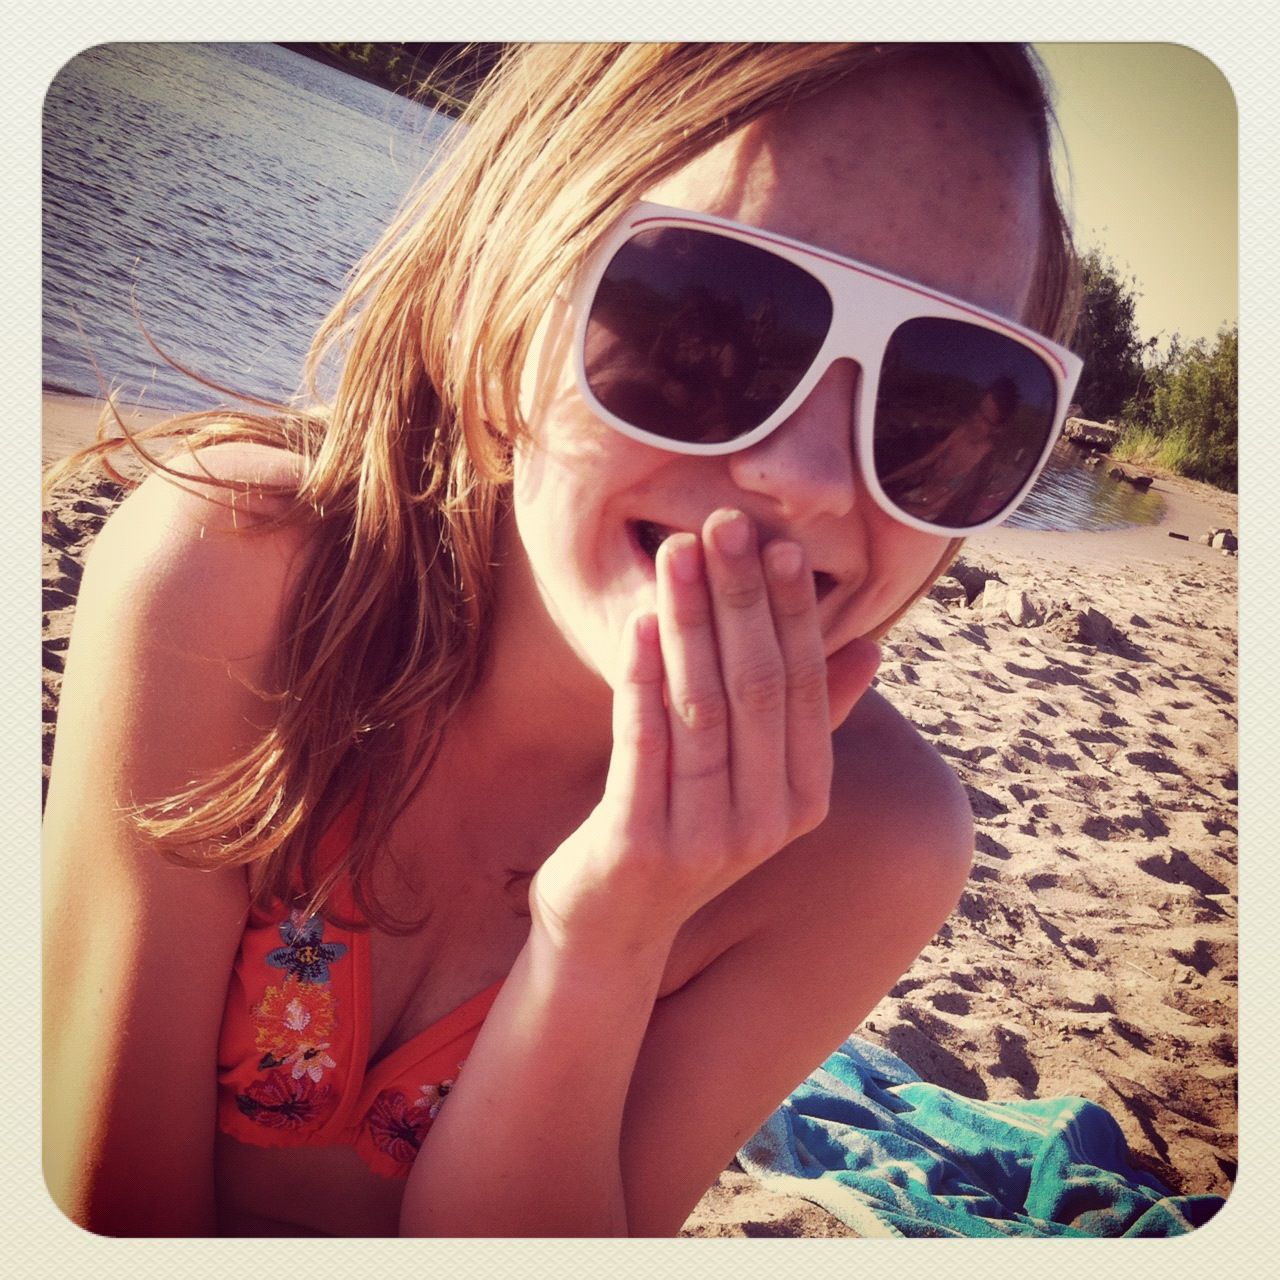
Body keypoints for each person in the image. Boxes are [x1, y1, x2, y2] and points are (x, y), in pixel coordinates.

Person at [42, 42, 1082, 1237]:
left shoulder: (867, 845)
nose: (801, 475)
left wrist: (606, 939)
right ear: (496, 306)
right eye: (710, 322)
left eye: (938, 398)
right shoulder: (228, 579)